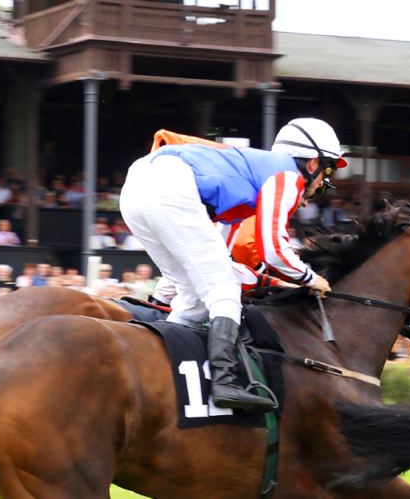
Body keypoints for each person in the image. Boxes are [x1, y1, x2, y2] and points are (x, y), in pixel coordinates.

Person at [121, 120, 342, 412]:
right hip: (166, 184)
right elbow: (273, 249)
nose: (319, 188)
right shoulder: (289, 176)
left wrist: (272, 282)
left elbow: (216, 259)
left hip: (137, 185)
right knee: (223, 291)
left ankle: (152, 373)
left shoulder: (245, 185)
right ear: (313, 163)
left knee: (194, 298)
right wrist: (309, 278)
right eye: (326, 174)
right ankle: (225, 383)